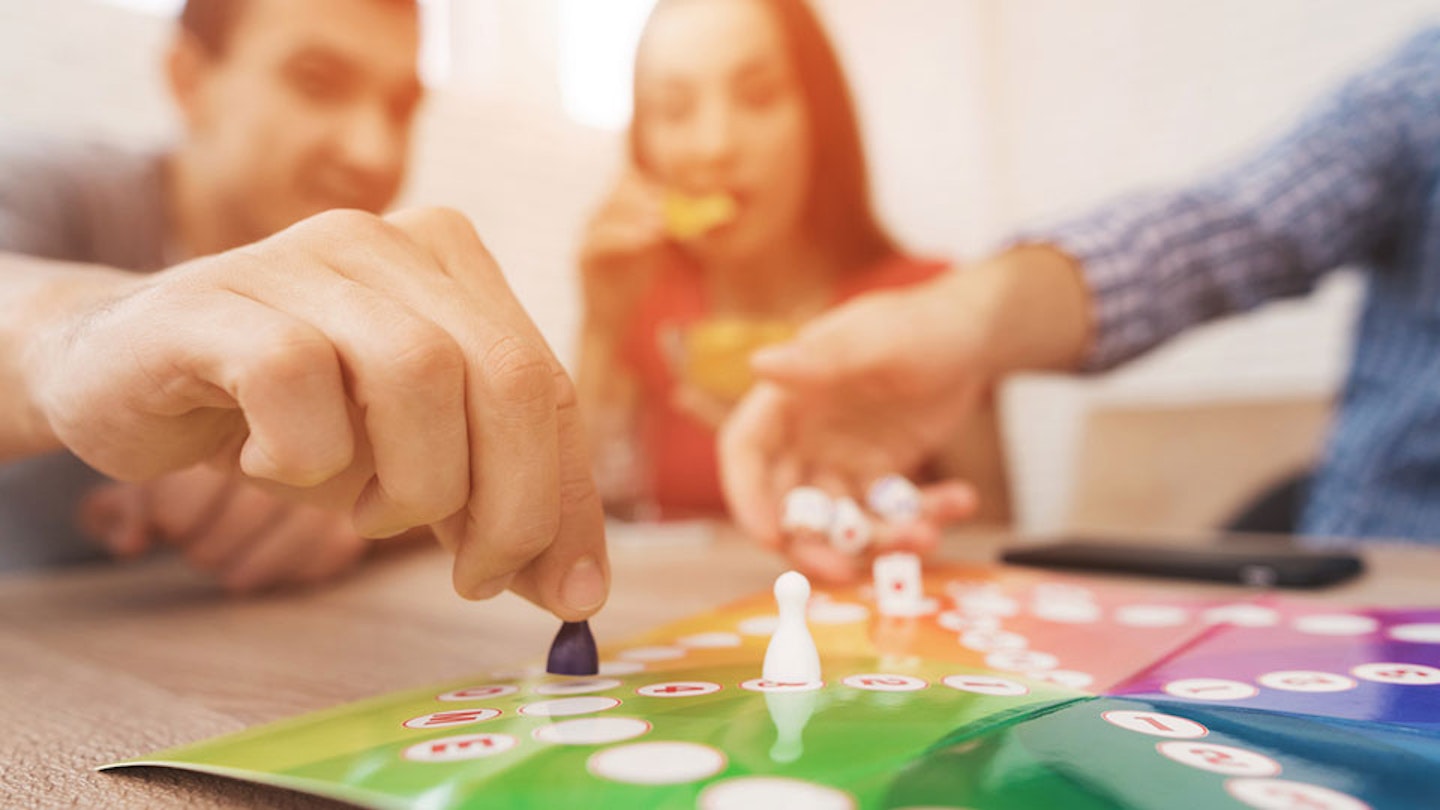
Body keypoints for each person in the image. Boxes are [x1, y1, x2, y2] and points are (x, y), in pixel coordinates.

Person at [720, 28, 1440, 579]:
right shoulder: (1418, 92)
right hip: (1385, 586)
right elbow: (1207, 233)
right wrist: (955, 322)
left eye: (754, 96)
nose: (716, 144)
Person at [0, 0, 609, 619]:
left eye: (400, 109)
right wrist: (76, 335)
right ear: (190, 78)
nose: (374, 152)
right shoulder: (43, 189)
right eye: (317, 83)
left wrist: (371, 504)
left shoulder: (368, 307)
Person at [576, 0, 1006, 526]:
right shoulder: (648, 310)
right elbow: (579, 521)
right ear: (642, 143)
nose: (714, 146)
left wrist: (861, 486)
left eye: (757, 97)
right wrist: (600, 327)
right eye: (673, 109)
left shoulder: (926, 304)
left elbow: (992, 540)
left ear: (817, 116)